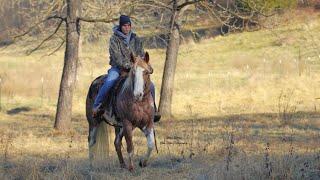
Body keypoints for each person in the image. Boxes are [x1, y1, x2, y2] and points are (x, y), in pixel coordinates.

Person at [93, 15, 161, 122]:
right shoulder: (114, 39)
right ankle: (97, 106)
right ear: (120, 26)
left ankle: (154, 110)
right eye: (124, 25)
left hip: (135, 70)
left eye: (129, 25)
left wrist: (145, 66)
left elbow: (142, 55)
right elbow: (116, 57)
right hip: (118, 68)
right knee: (110, 82)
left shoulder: (136, 39)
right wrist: (131, 66)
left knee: (151, 85)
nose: (127, 28)